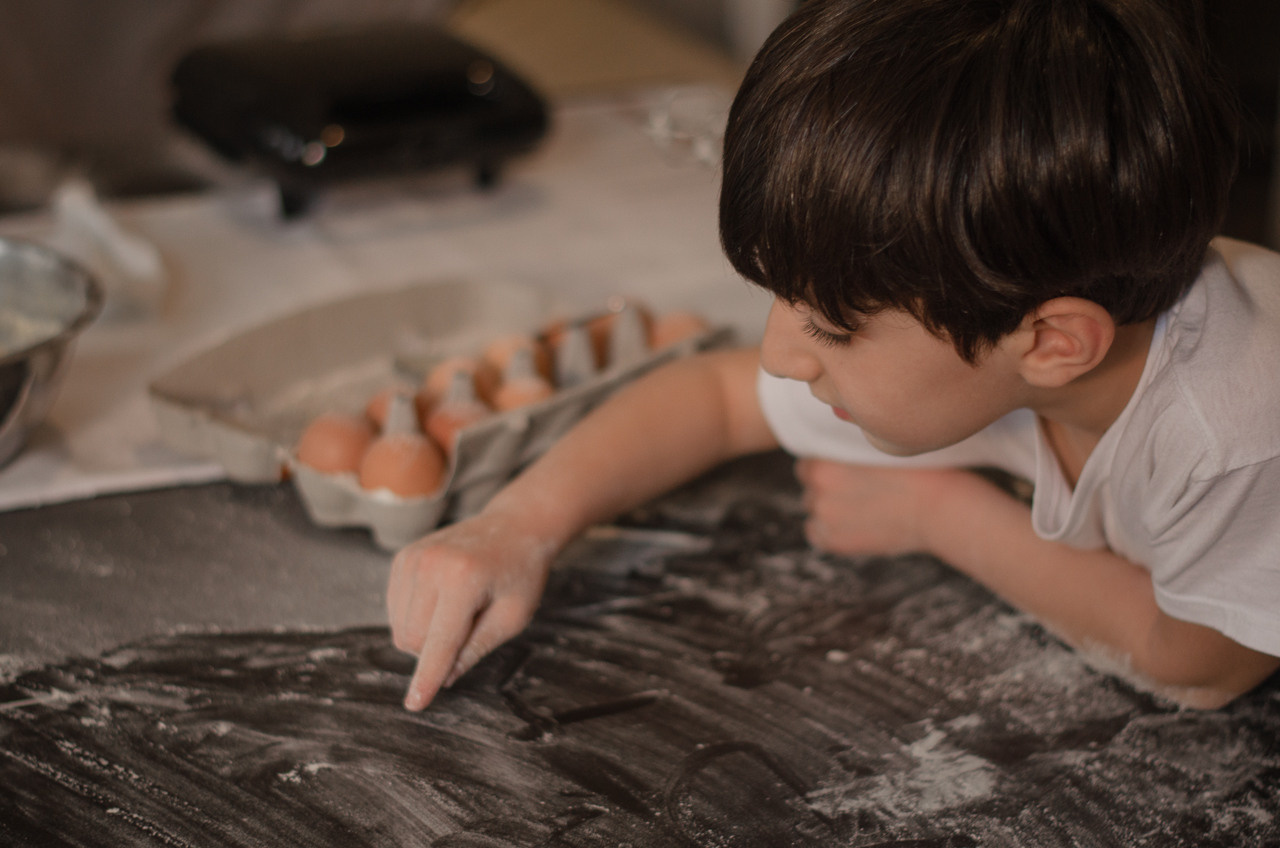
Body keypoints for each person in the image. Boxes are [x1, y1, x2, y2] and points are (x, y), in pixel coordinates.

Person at [387, 0, 1280, 712]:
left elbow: (1199, 663)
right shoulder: (996, 310)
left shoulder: (1234, 434)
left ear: (1051, 344)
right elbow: (716, 398)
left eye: (832, 327)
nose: (780, 355)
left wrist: (941, 515)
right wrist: (517, 525)